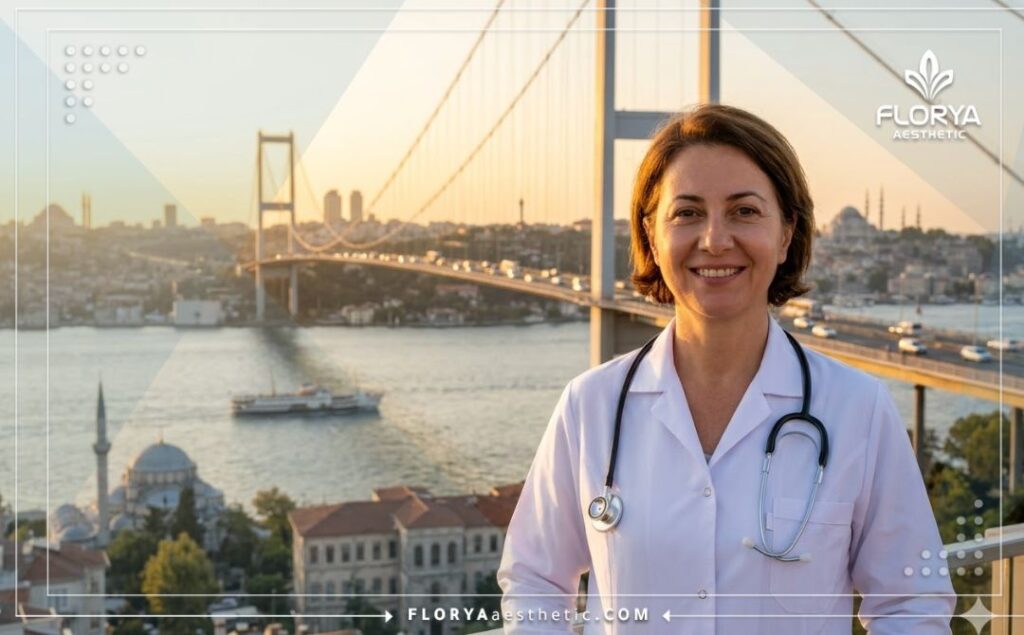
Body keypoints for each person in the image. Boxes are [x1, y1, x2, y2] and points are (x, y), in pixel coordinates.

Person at [496, 104, 955, 634]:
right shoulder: (590, 406)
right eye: (687, 213)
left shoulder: (858, 409)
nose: (715, 240)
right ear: (650, 236)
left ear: (787, 234)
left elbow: (911, 604)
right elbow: (535, 582)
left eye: (745, 211)